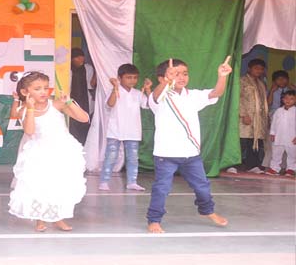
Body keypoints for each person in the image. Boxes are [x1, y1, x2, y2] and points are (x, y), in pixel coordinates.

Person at [146, 57, 232, 234]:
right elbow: (155, 96)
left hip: (191, 154)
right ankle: (154, 220)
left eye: (184, 73)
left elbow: (216, 93)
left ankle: (207, 210)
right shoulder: (160, 97)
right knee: (162, 188)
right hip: (165, 155)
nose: (181, 77)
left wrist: (222, 76)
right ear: (162, 78)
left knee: (202, 187)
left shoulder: (193, 95)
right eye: (175, 74)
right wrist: (166, 82)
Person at [8, 71, 89, 232]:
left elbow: (84, 118)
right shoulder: (25, 110)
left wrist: (69, 102)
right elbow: (29, 131)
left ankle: (58, 217)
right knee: (41, 185)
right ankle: (40, 218)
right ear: (25, 92)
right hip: (40, 153)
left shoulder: (56, 105)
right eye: (37, 89)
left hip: (62, 151)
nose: (43, 92)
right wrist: (30, 108)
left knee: (59, 184)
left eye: (46, 88)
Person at [99, 64, 152, 192]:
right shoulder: (114, 91)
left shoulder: (138, 93)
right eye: (128, 77)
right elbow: (110, 104)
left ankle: (132, 182)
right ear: (120, 78)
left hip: (133, 131)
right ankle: (104, 181)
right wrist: (115, 88)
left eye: (135, 77)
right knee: (111, 157)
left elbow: (149, 105)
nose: (132, 80)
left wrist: (148, 89)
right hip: (115, 129)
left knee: (133, 158)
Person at [237, 58, 268, 174]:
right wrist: (243, 114)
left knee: (255, 142)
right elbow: (238, 98)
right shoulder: (242, 81)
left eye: (261, 69)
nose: (259, 71)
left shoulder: (261, 83)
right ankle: (233, 165)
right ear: (249, 68)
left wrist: (265, 118)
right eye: (256, 68)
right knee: (241, 141)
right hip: (245, 117)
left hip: (258, 119)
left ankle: (252, 165)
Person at [69, 47, 96, 145]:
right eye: (77, 57)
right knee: (73, 126)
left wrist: (97, 72)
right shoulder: (67, 69)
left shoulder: (88, 68)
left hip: (86, 102)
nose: (81, 59)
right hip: (72, 101)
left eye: (82, 57)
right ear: (71, 59)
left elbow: (91, 84)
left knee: (85, 124)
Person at [266, 90, 296, 177]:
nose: (288, 100)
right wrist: (272, 133)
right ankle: (274, 168)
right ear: (282, 99)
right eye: (286, 98)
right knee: (276, 153)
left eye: (291, 99)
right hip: (278, 137)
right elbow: (274, 122)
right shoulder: (278, 111)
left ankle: (291, 169)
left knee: (292, 154)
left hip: (292, 138)